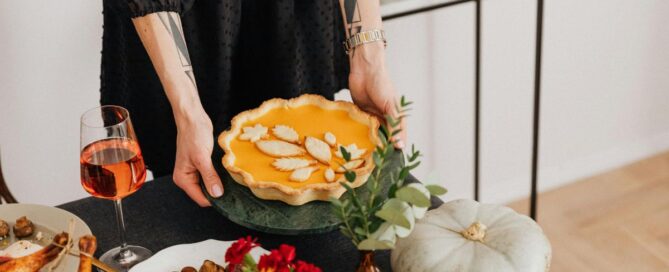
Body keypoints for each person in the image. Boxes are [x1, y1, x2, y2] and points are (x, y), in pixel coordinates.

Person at [100, 0, 406, 207]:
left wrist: (369, 60)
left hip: (289, 21)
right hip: (184, 30)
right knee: (192, 197)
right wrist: (188, 112)